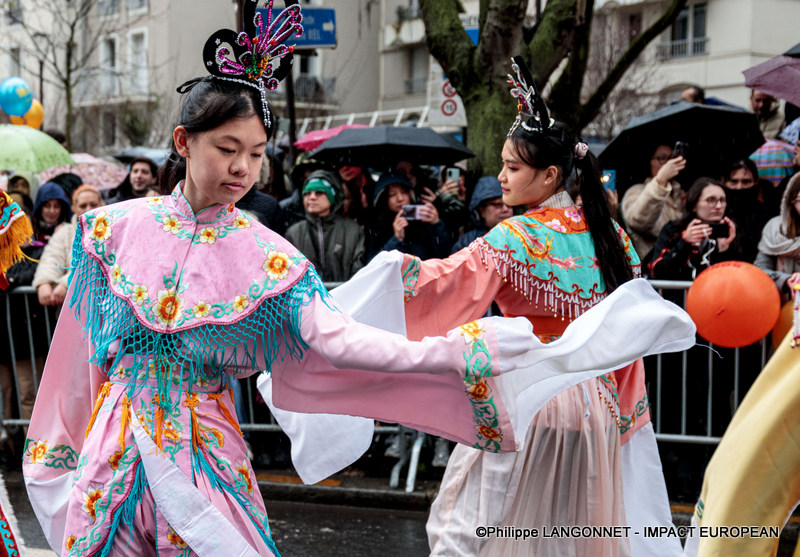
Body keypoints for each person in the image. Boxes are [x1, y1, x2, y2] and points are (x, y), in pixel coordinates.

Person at [22, 13, 689, 556]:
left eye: (256, 154)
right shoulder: (110, 231)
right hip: (113, 451)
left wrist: (453, 354)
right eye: (228, 149)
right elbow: (75, 365)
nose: (243, 169)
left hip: (206, 452)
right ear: (183, 141)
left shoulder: (266, 256)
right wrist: (53, 460)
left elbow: (338, 341)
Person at [382, 57, 684, 556]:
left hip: (529, 397)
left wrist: (386, 278)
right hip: (599, 411)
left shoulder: (517, 236)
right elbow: (628, 346)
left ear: (549, 176)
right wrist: (628, 417)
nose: (501, 176)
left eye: (513, 167)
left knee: (475, 526)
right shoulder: (616, 243)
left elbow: (442, 288)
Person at [649, 177, 739, 280]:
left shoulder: (729, 231)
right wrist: (684, 243)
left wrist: (724, 248)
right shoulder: (674, 229)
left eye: (722, 200)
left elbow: (736, 276)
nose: (718, 206)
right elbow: (658, 272)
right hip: (677, 295)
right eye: (711, 200)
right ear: (694, 205)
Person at [285, 169, 365, 282]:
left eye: (319, 192)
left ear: (332, 196)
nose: (312, 197)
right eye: (307, 193)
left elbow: (359, 271)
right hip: (306, 298)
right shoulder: (294, 233)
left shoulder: (352, 231)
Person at [33, 185, 104, 307]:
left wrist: (66, 284)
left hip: (102, 303)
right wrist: (44, 282)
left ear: (102, 205)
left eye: (93, 204)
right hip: (70, 307)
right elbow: (52, 258)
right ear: (74, 208)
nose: (89, 209)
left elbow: (95, 266)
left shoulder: (112, 230)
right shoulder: (64, 232)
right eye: (83, 206)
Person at [621, 143, 687, 261]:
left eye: (671, 158)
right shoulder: (636, 191)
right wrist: (661, 180)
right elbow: (638, 221)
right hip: (651, 268)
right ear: (649, 162)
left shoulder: (680, 194)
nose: (667, 163)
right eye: (662, 158)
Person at [365, 172, 451, 261]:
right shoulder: (376, 228)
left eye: (404, 192)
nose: (400, 198)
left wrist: (436, 225)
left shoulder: (423, 221)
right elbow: (373, 265)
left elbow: (443, 257)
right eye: (392, 194)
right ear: (383, 199)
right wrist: (396, 239)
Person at [755, 173, 800, 296]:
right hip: (782, 306)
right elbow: (759, 270)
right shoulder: (775, 229)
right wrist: (786, 280)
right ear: (791, 203)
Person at [723, 158, 770, 263]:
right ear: (724, 182)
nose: (739, 187)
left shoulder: (764, 214)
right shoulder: (717, 212)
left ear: (756, 182)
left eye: (746, 182)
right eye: (734, 181)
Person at [450, 176, 512, 253]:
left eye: (509, 204)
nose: (505, 209)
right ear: (482, 211)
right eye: (497, 204)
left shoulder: (522, 237)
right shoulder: (467, 243)